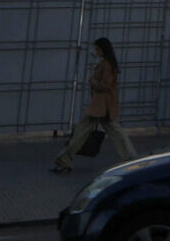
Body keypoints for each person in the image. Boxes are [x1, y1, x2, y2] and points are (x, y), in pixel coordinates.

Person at [52, 37, 137, 173]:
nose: (95, 51)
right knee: (115, 133)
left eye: (97, 49)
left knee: (81, 133)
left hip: (101, 107)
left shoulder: (106, 65)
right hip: (103, 107)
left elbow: (105, 85)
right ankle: (132, 160)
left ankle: (64, 160)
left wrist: (93, 81)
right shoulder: (108, 63)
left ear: (103, 50)